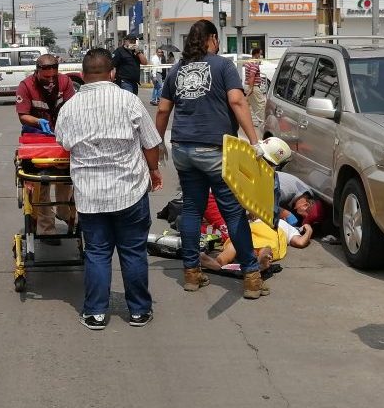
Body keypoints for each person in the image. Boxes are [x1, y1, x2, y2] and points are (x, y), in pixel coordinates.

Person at [155, 19, 268, 300]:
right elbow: (237, 101)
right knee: (233, 212)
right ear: (213, 39)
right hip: (215, 149)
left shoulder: (177, 70)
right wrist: (255, 142)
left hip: (182, 148)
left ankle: (192, 273)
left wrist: (157, 142)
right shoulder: (222, 65)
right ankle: (252, 277)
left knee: (193, 208)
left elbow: (162, 110)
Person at [55, 49, 164, 330]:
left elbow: (64, 144)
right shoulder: (128, 100)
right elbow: (151, 143)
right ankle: (139, 311)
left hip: (90, 196)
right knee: (133, 251)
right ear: (112, 72)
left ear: (82, 75)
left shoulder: (70, 107)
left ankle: (95, 313)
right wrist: (153, 171)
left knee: (97, 252)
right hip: (129, 191)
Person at [16, 54, 78, 244]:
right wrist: (37, 121)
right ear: (37, 72)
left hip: (60, 137)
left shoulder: (65, 82)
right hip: (36, 137)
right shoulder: (26, 86)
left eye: (53, 76)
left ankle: (63, 210)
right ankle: (46, 228)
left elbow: (74, 107)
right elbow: (23, 115)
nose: (50, 81)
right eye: (46, 77)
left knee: (65, 179)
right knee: (40, 185)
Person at [244, 47, 267, 133]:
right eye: (260, 54)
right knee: (260, 104)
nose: (260, 56)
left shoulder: (248, 62)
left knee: (251, 105)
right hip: (253, 87)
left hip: (249, 86)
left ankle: (252, 122)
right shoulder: (254, 63)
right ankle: (262, 123)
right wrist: (251, 88)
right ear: (256, 54)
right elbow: (252, 76)